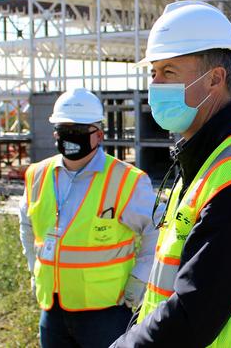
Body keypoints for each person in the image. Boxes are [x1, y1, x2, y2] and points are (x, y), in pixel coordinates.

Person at [112, 1, 231, 347]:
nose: (155, 85)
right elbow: (164, 292)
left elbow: (194, 314)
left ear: (215, 79)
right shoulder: (203, 165)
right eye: (153, 73)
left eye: (169, 72)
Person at [19, 88, 158, 348]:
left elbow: (155, 231)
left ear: (99, 135)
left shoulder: (127, 180)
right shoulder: (37, 174)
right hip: (53, 308)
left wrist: (140, 279)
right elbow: (28, 227)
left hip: (106, 311)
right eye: (64, 129)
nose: (71, 136)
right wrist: (35, 270)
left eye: (80, 130)